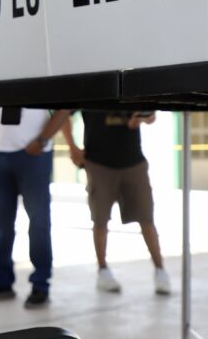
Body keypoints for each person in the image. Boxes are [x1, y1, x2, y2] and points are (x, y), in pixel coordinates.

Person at [0, 107, 72, 309]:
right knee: (1, 222)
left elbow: (64, 109)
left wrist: (42, 140)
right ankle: (2, 280)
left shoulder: (41, 76)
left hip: (34, 154)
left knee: (38, 221)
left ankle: (40, 283)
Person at [62, 110, 170, 295]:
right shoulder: (88, 86)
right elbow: (62, 114)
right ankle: (103, 270)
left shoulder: (131, 85)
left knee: (146, 217)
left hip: (133, 161)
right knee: (100, 219)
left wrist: (140, 119)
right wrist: (72, 147)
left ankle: (160, 270)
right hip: (98, 163)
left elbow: (150, 115)